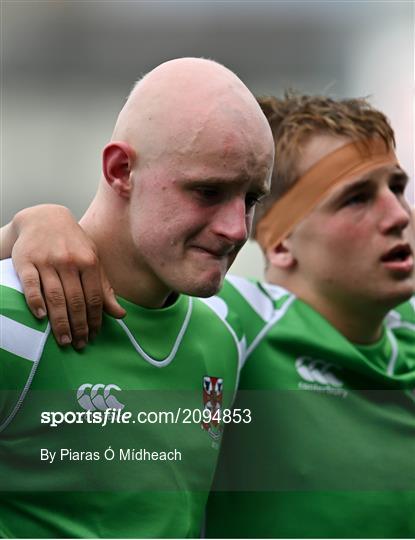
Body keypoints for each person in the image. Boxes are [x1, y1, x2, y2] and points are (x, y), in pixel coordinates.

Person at [3, 94, 415, 538]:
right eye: (355, 198)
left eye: (397, 188)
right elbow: (137, 273)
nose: (399, 215)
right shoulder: (238, 325)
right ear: (278, 245)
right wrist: (32, 225)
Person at [0, 57, 274, 538]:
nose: (237, 229)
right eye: (208, 191)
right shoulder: (13, 320)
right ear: (121, 169)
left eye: (251, 198)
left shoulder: (222, 337)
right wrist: (17, 227)